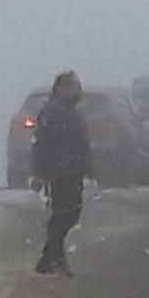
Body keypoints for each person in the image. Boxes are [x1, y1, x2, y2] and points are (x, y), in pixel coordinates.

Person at [31, 71, 93, 276]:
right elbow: (42, 144)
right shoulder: (52, 112)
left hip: (73, 169)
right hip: (60, 171)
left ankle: (49, 258)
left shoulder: (71, 111)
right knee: (64, 214)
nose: (79, 90)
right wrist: (41, 173)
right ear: (61, 89)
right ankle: (54, 258)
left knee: (70, 213)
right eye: (74, 86)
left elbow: (81, 143)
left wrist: (88, 166)